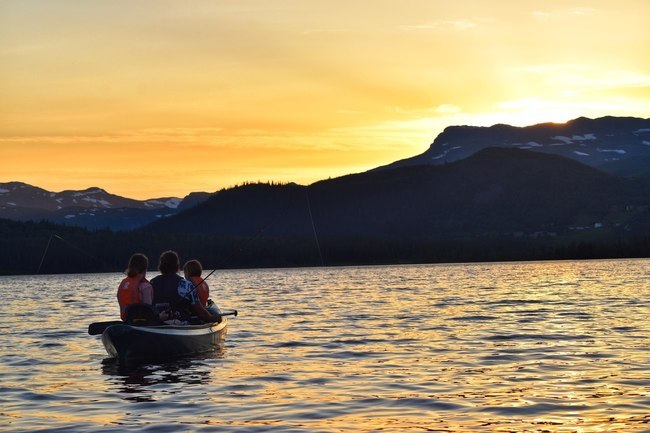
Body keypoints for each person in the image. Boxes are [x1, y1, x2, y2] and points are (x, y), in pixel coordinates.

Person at [150, 250, 221, 324]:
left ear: (161, 266)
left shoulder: (152, 282)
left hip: (157, 322)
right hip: (181, 323)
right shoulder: (185, 284)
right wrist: (213, 318)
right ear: (177, 266)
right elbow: (200, 312)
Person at [117, 253, 154, 321]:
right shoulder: (145, 286)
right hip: (143, 322)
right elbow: (149, 311)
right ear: (145, 268)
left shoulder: (123, 284)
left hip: (127, 320)